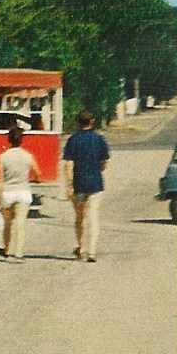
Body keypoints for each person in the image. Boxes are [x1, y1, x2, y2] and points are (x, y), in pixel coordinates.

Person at [63, 110, 110, 262]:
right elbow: (104, 163)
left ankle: (80, 247)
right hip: (96, 182)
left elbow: (69, 164)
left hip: (79, 183)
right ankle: (92, 252)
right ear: (93, 121)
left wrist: (69, 184)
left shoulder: (73, 140)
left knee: (79, 217)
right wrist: (97, 169)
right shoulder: (99, 139)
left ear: (78, 122)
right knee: (93, 217)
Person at [0, 127, 39, 261]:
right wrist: (34, 179)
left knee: (8, 223)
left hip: (7, 193)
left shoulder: (3, 157)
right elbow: (38, 174)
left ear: (9, 140)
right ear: (22, 139)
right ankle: (19, 253)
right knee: (21, 222)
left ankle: (6, 249)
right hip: (23, 192)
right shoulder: (28, 156)